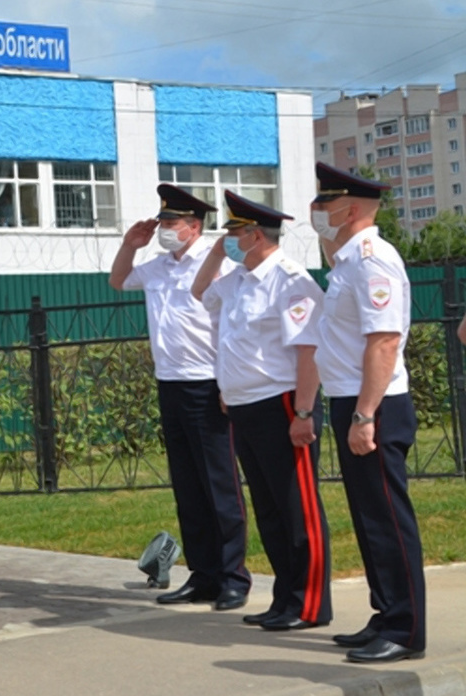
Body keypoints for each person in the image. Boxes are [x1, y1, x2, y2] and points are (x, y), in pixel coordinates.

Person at [191, 191, 332, 632]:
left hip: (283, 403)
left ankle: (309, 604)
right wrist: (218, 251)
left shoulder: (291, 282)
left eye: (233, 232)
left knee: (297, 509)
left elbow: (309, 351)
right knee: (269, 509)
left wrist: (304, 412)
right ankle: (284, 598)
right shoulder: (237, 279)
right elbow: (199, 291)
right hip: (245, 406)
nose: (227, 239)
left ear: (254, 235)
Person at [109, 184, 251, 610]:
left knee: (219, 485)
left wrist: (228, 383)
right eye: (162, 222)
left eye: (171, 223)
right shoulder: (156, 267)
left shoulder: (216, 265)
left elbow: (232, 325)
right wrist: (129, 245)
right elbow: (118, 280)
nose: (164, 229)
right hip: (169, 382)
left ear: (194, 226)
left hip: (208, 383)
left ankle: (233, 578)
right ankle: (202, 574)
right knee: (188, 487)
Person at [310, 163, 426, 663]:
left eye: (324, 204)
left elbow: (383, 342)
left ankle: (405, 629)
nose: (316, 212)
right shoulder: (349, 261)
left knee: (387, 521)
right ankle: (386, 613)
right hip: (353, 400)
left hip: (374, 406)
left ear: (349, 209)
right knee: (368, 519)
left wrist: (364, 415)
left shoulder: (373, 260)